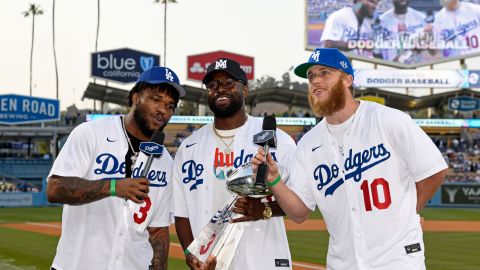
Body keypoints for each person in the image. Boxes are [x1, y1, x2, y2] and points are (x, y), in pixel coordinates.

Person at [248, 48, 448, 269]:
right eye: (311, 76)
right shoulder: (307, 144)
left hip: (397, 260)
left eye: (324, 73)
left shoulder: (388, 120)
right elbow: (299, 211)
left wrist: (410, 213)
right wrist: (274, 179)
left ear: (347, 80)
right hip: (343, 262)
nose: (315, 81)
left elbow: (434, 171)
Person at [47, 66, 186, 270]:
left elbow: (158, 231)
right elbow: (55, 188)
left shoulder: (165, 160)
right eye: (156, 99)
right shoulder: (91, 133)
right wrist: (113, 187)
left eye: (170, 105)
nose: (162, 111)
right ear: (136, 97)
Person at [173, 58, 296, 269]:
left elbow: (299, 202)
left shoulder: (277, 139)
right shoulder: (188, 148)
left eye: (229, 83)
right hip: (212, 262)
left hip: (263, 258)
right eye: (213, 85)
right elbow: (181, 212)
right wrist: (189, 253)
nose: (220, 89)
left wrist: (264, 209)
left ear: (245, 90)